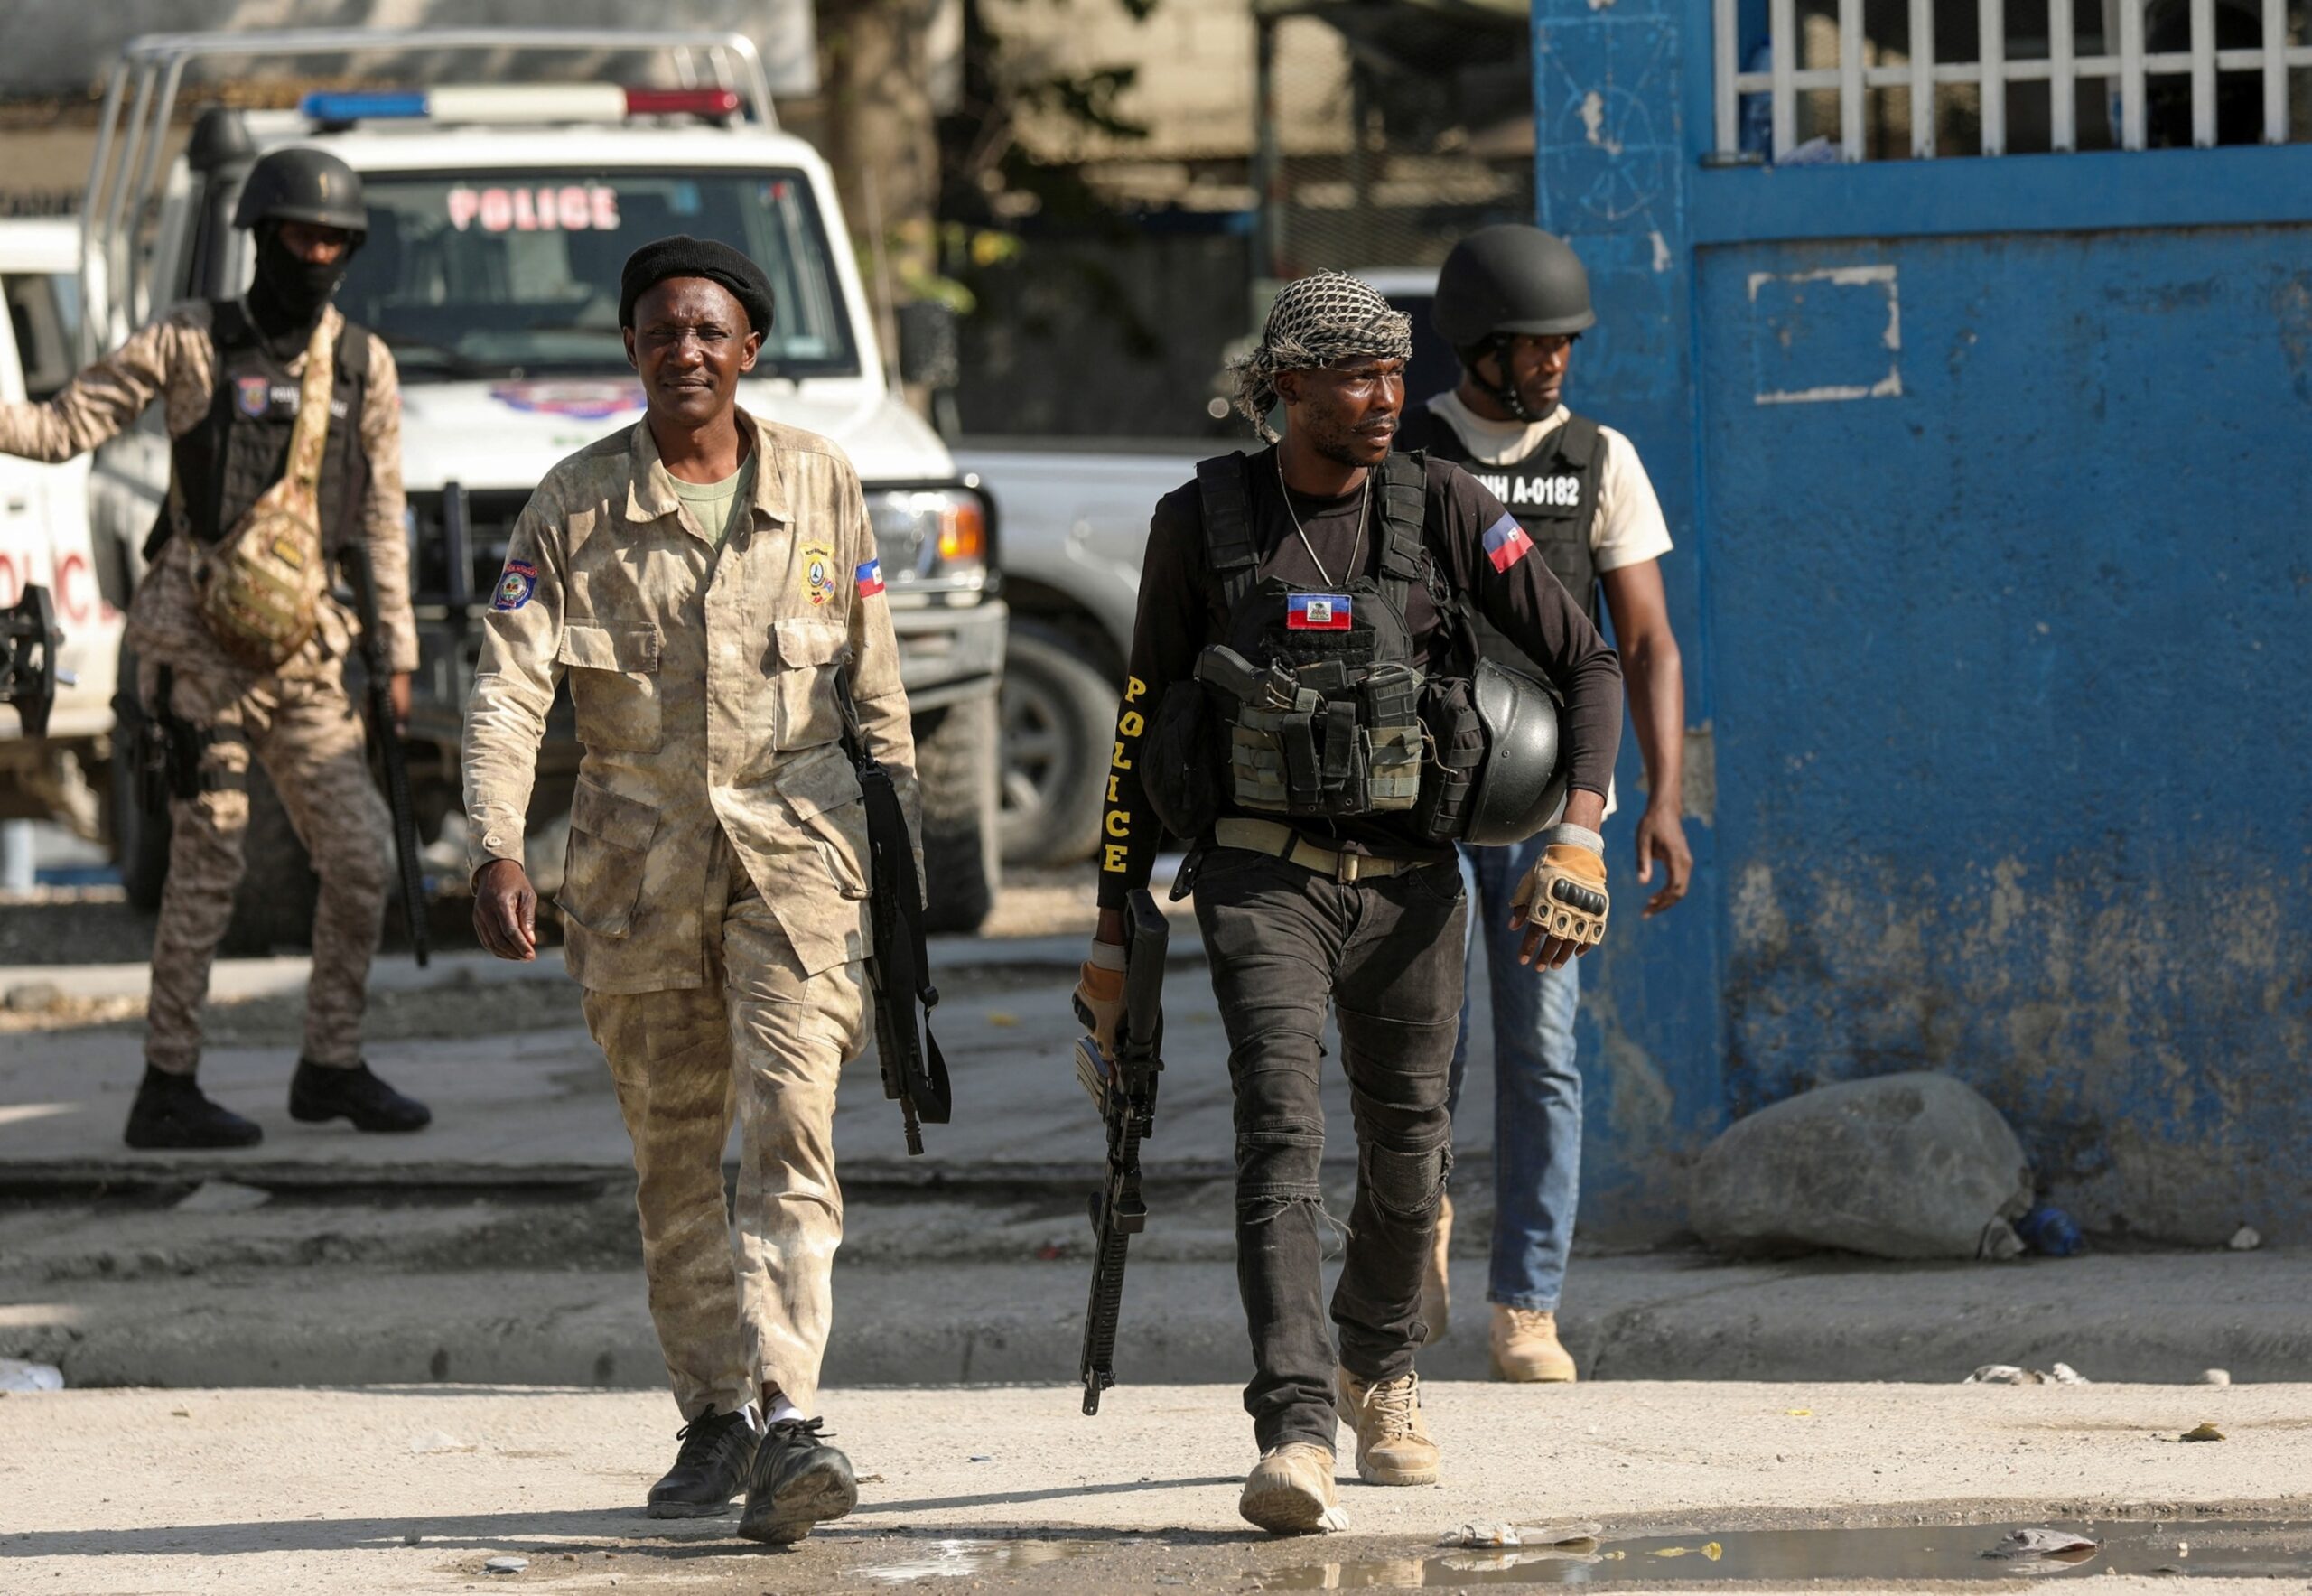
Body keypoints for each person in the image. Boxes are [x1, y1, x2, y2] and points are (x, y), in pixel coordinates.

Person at [1077, 270, 1623, 1535]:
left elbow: (1584, 655)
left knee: (1409, 1153)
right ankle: (1293, 1424)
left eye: (1394, 373)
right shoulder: (1202, 519)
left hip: (1413, 880)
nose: (1387, 398)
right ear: (1285, 387)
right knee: (1279, 1130)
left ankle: (1378, 1363)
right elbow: (1143, 719)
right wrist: (1115, 923)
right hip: (1263, 874)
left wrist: (1579, 834)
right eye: (1357, 377)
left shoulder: (1443, 506)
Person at [464, 236, 915, 1545]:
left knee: (792, 1131)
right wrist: (499, 840)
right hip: (633, 882)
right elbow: (507, 689)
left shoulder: (824, 486)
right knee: (674, 1162)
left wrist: (908, 879)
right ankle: (713, 1407)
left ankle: (785, 1415)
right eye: (662, 331)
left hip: (800, 874)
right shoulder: (574, 504)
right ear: (631, 349)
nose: (687, 352)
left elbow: (876, 698)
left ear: (750, 348)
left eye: (710, 330)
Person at [0, 146, 428, 1149]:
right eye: (300, 237)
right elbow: (64, 428)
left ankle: (331, 1062)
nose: (316, 255)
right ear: (260, 238)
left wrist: (396, 656)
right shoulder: (190, 344)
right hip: (194, 648)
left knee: (362, 861)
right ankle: (168, 1081)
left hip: (308, 657)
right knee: (210, 858)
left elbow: (383, 518)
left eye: (335, 242)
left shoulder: (363, 366)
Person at [1397, 224, 1694, 1382]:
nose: (1553, 365)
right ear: (1476, 345)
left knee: (1544, 1052)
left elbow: (1649, 639)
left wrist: (1658, 799)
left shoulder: (1597, 457)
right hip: (1422, 797)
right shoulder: (1408, 447)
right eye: (1532, 346)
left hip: (1551, 811)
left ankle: (1526, 1303)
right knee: (1423, 1046)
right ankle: (1412, 1236)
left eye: (1565, 344)